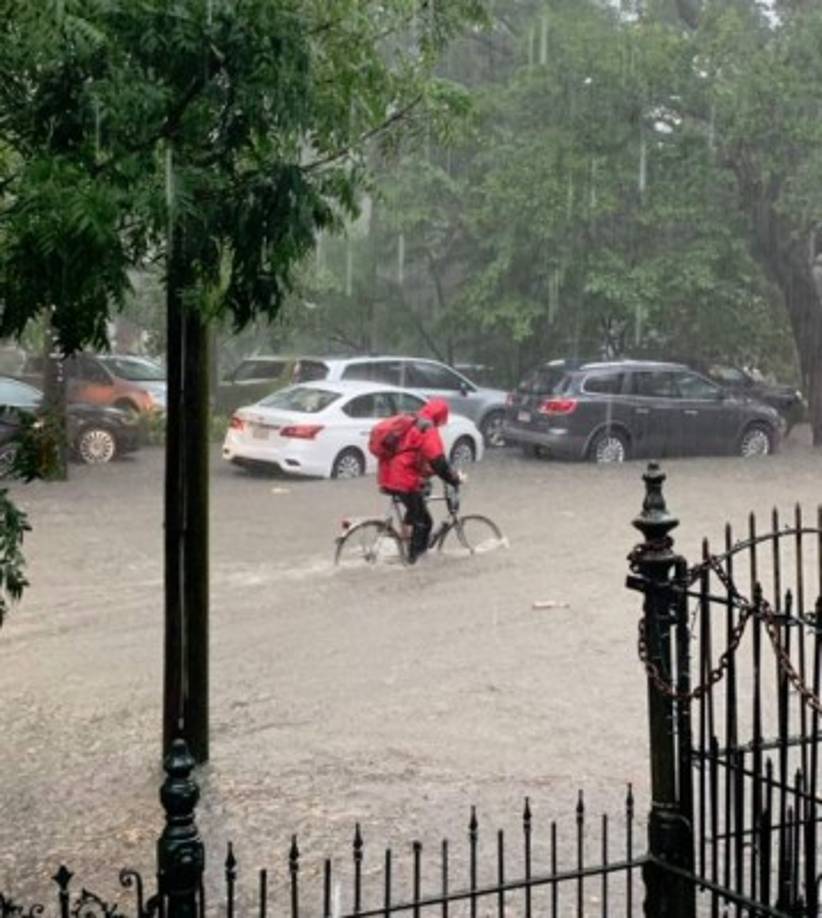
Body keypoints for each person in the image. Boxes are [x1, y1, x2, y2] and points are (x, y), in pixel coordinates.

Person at [378, 399, 464, 564]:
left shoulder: (413, 421)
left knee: (418, 504)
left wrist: (428, 473)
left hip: (389, 474)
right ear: (441, 416)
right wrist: (453, 478)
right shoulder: (427, 427)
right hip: (403, 479)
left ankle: (407, 541)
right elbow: (437, 460)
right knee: (424, 522)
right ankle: (414, 563)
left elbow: (411, 455)